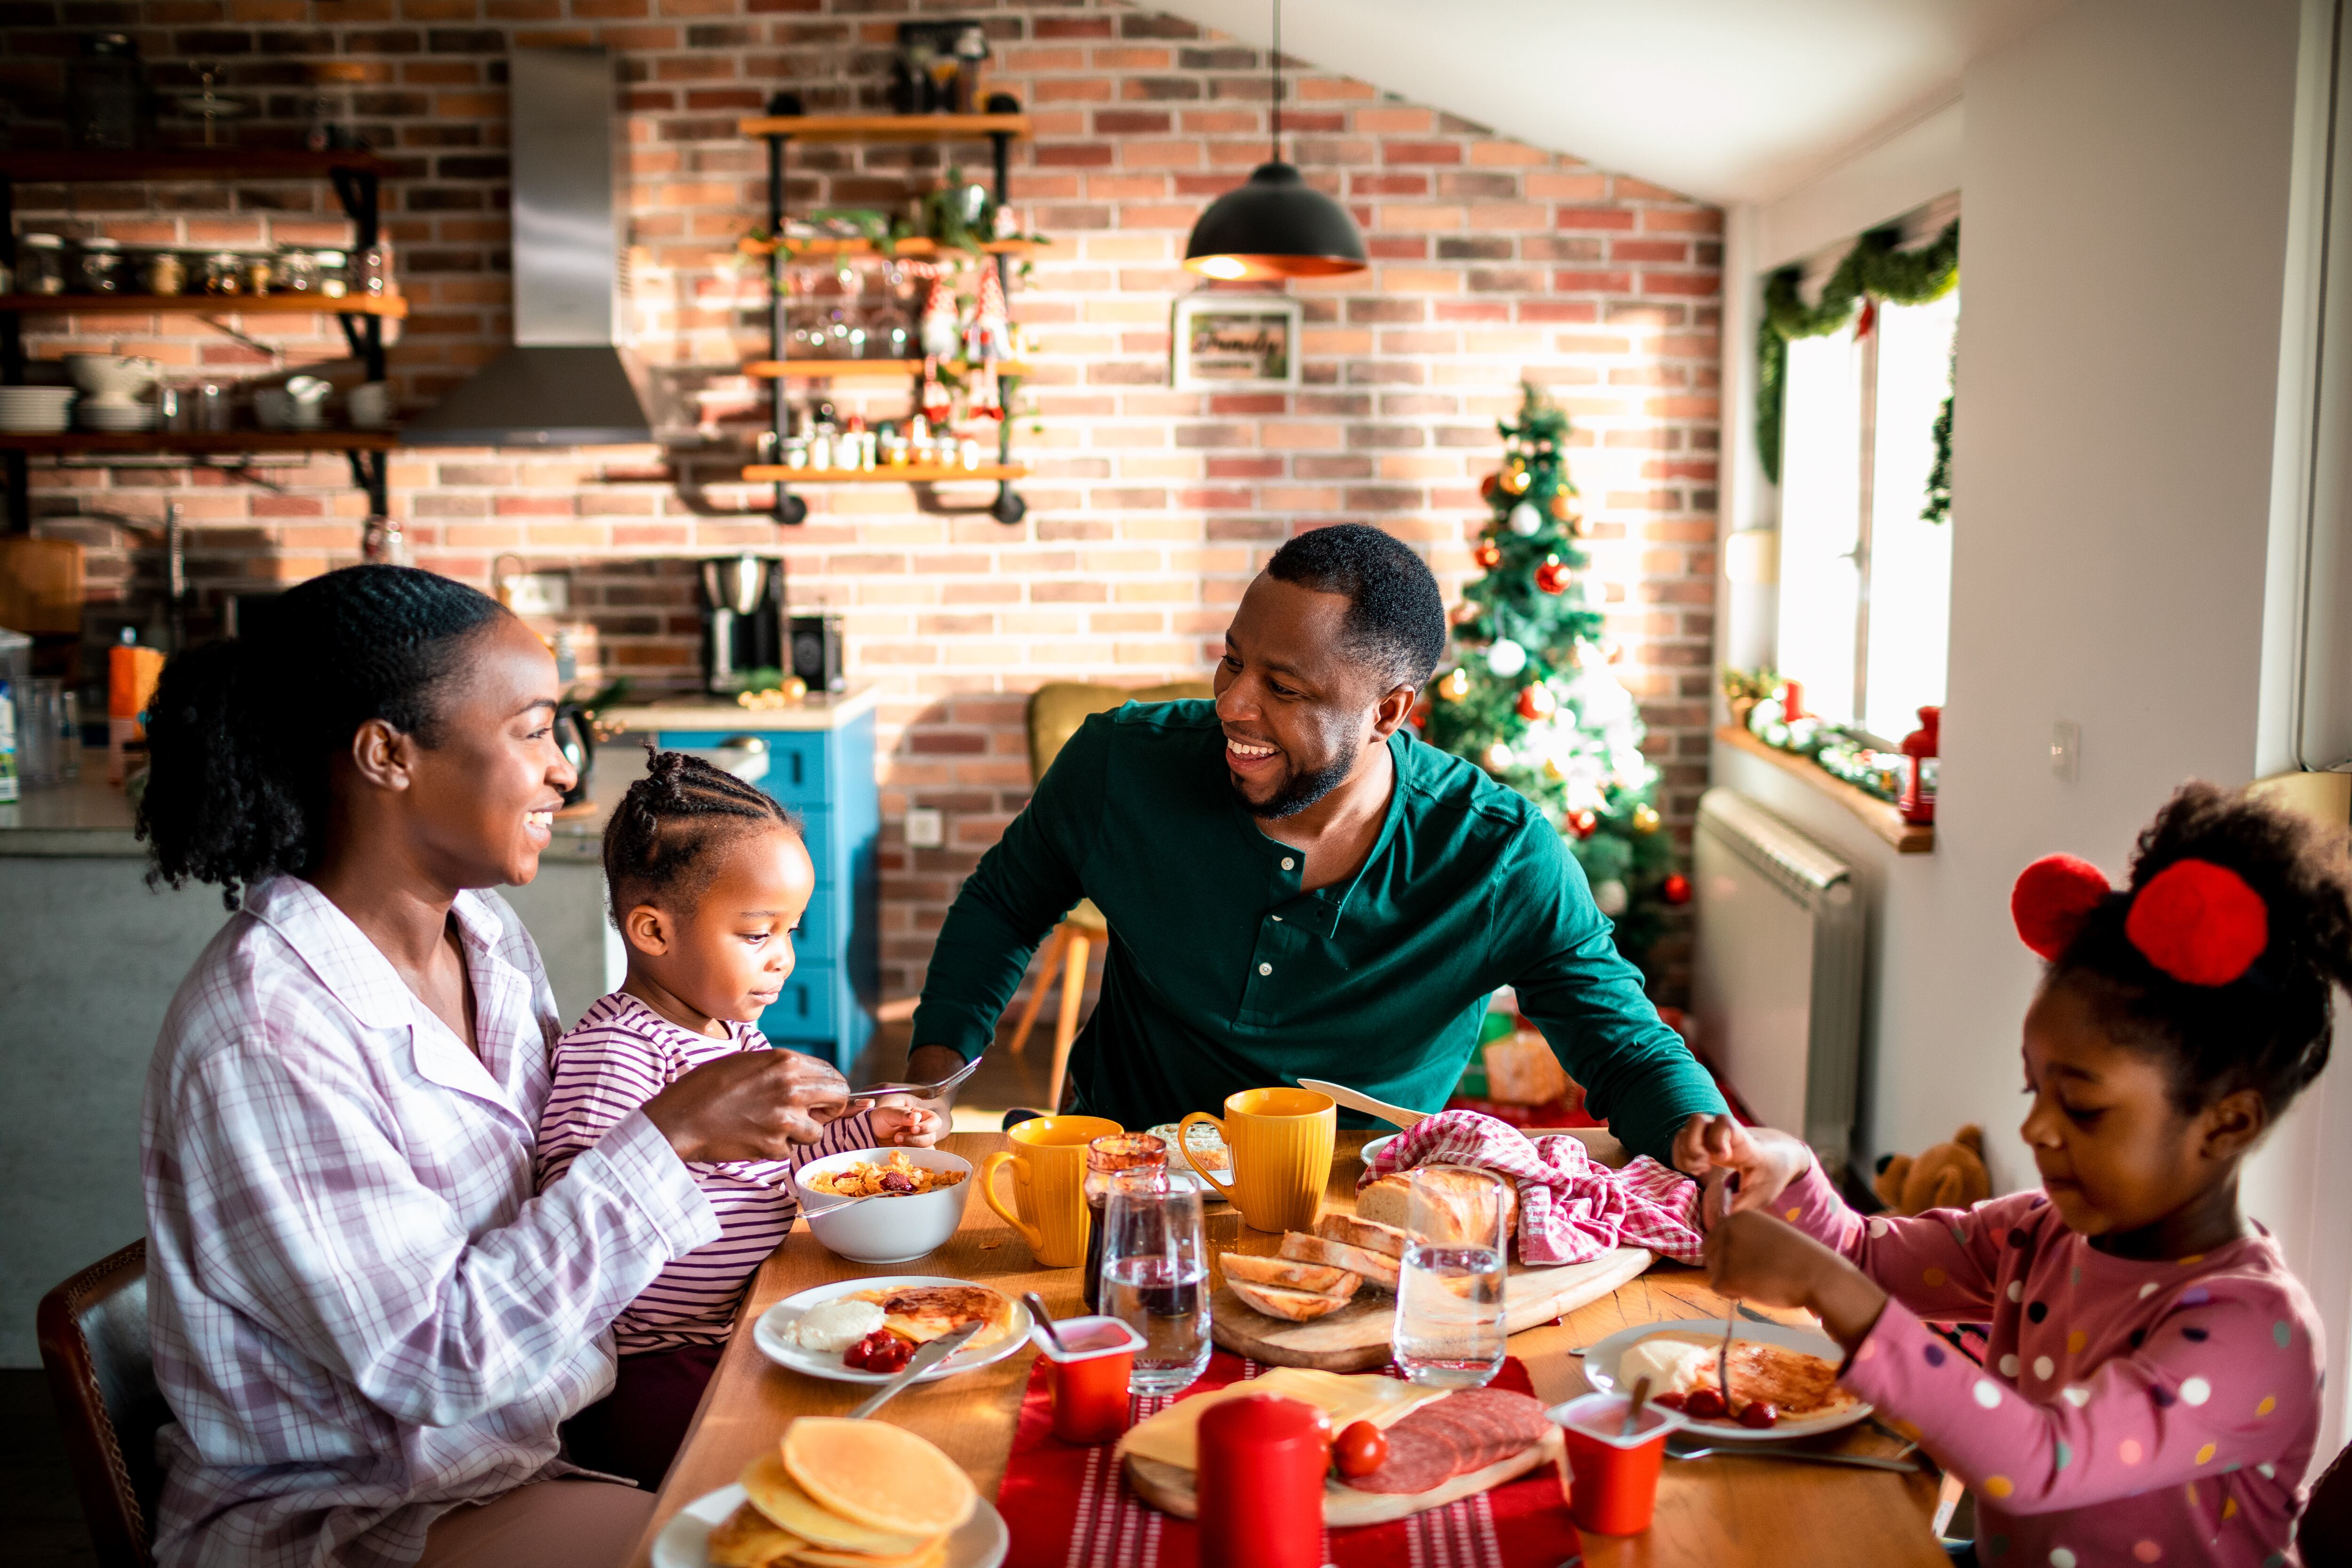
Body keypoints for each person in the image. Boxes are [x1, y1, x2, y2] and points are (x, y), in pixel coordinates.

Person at [136, 566, 852, 1568]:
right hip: (373, 1514)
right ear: (388, 753)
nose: (565, 772)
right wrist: (671, 1133)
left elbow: (559, 1186)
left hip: (536, 1447)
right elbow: (435, 1360)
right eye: (534, 730)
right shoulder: (269, 1031)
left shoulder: (487, 939)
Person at [902, 523, 1726, 1167]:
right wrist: (930, 1085)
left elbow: (1623, 1043)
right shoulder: (1120, 763)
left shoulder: (1498, 854)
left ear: (1389, 712)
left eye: (1284, 688)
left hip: (1361, 1193)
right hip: (1128, 1169)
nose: (1233, 703)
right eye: (1231, 661)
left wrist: (1711, 1141)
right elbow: (1002, 907)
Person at [1694, 782, 2338, 1566]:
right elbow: (1864, 1255)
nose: (2035, 1128)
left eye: (2085, 1108)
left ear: (2227, 1122)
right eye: (2035, 1090)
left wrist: (1829, 1291)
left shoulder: (2253, 1332)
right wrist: (1791, 1168)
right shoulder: (2041, 1234)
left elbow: (2041, 1458)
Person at [539, 748, 942, 1488]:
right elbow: (579, 1216)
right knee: (789, 1472)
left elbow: (781, 1156)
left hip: (742, 1317)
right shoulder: (616, 1052)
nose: (782, 960)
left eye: (791, 931)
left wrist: (865, 1132)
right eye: (758, 934)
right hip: (652, 1366)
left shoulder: (731, 1032)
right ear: (654, 932)